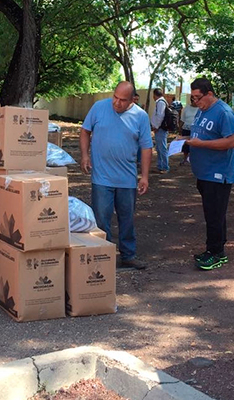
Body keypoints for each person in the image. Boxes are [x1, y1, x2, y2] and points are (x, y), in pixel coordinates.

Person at [80, 81, 152, 270]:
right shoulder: (98, 107)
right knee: (101, 217)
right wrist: (85, 155)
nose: (117, 103)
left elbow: (146, 147)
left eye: (122, 100)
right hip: (101, 177)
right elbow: (85, 131)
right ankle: (104, 255)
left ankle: (128, 255)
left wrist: (144, 176)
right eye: (115, 97)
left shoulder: (140, 116)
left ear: (132, 100)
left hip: (127, 178)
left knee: (126, 218)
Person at [184, 78, 234, 271]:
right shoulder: (202, 110)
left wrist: (201, 144)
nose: (196, 102)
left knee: (214, 214)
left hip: (218, 173)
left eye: (198, 98)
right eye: (193, 98)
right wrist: (188, 143)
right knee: (213, 213)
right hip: (204, 173)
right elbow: (202, 133)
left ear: (209, 94)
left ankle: (216, 253)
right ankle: (216, 248)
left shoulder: (224, 113)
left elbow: (232, 141)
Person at [150, 88, 170, 174]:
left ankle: (165, 167)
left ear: (154, 95)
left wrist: (156, 126)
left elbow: (160, 116)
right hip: (159, 128)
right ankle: (160, 166)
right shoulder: (160, 102)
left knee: (162, 148)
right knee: (159, 148)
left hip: (161, 129)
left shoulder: (161, 102)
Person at [178, 95, 198, 165]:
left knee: (195, 145)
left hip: (195, 130)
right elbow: (182, 119)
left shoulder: (200, 109)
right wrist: (180, 128)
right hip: (186, 129)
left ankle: (194, 159)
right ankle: (185, 159)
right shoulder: (187, 108)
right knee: (186, 145)